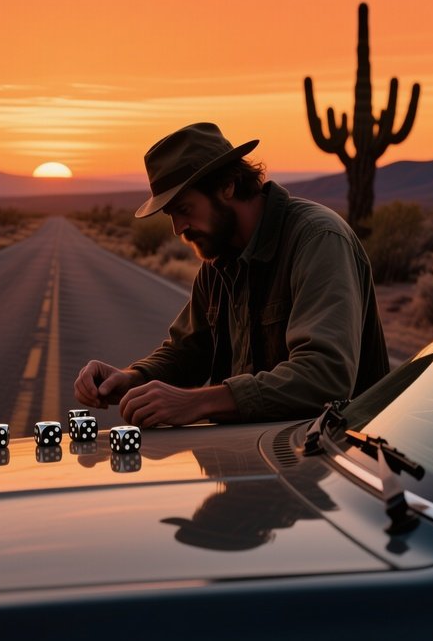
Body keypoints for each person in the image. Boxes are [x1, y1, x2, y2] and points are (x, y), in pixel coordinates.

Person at [74, 122, 389, 427]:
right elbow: (189, 351)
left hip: (336, 462)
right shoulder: (219, 260)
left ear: (227, 185)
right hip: (252, 460)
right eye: (171, 216)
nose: (178, 229)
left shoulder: (317, 239)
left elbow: (325, 378)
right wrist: (131, 378)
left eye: (184, 209)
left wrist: (195, 402)